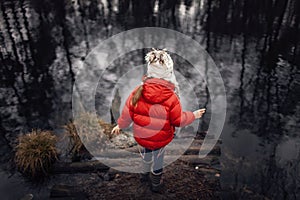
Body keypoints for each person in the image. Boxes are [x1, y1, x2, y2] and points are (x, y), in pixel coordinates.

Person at [111, 48, 206, 193]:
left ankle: (143, 176)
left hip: (142, 136)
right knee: (158, 159)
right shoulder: (171, 97)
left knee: (146, 153)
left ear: (150, 72)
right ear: (169, 74)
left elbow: (128, 112)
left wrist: (120, 125)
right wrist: (193, 115)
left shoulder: (138, 91)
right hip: (160, 139)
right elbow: (178, 120)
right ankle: (155, 185)